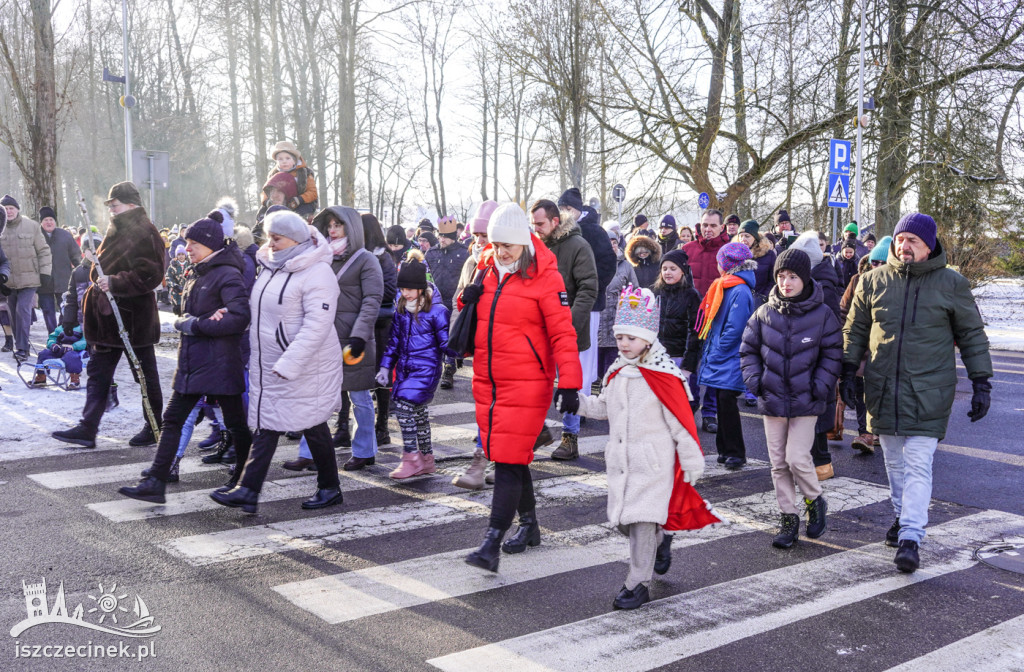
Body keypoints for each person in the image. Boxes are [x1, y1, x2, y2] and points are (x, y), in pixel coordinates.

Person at [843, 213, 992, 573]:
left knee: (918, 463)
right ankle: (901, 517)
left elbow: (972, 335)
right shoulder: (872, 280)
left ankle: (911, 536)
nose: (903, 246)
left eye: (912, 240)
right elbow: (855, 328)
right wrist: (847, 370)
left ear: (929, 246)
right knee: (893, 462)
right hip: (883, 387)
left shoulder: (952, 284)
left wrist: (981, 382)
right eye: (900, 239)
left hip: (929, 389)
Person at [460, 203, 582, 573]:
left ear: (525, 242)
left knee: (509, 460)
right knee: (508, 455)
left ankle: (491, 541)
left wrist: (571, 383)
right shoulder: (485, 272)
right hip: (489, 379)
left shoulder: (547, 277)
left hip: (529, 382)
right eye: (495, 243)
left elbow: (563, 332)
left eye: (508, 244)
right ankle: (529, 525)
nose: (501, 251)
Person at [576, 286, 711, 609]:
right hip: (622, 462)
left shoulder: (665, 376)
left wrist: (691, 459)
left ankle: (637, 583)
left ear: (648, 340)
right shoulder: (618, 371)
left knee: (639, 523)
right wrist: (575, 402)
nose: (623, 343)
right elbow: (603, 408)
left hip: (654, 464)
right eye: (620, 337)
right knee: (624, 520)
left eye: (630, 338)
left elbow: (680, 421)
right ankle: (660, 541)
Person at [117, 213, 255, 505]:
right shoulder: (200, 271)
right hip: (194, 360)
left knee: (235, 423)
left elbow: (240, 317)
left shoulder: (227, 273)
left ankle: (245, 483)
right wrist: (192, 320)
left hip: (219, 361)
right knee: (174, 418)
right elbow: (201, 314)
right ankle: (156, 480)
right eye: (187, 242)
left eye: (193, 243)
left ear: (210, 245)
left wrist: (196, 324)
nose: (187, 247)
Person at [212, 211, 343, 513]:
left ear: (295, 240)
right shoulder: (272, 266)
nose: (270, 242)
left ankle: (256, 489)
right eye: (268, 236)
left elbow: (317, 325)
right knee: (288, 423)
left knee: (296, 423)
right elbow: (262, 310)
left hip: (306, 364)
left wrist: (290, 363)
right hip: (271, 362)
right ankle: (254, 489)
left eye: (277, 237)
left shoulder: (317, 273)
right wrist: (231, 316)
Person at [52, 182, 166, 450]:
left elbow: (151, 275)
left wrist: (115, 282)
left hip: (132, 319)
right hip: (107, 319)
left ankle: (154, 426)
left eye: (115, 204)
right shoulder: (118, 229)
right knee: (99, 373)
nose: (111, 209)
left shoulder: (145, 232)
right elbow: (104, 269)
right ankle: (87, 428)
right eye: (110, 205)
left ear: (131, 204)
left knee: (145, 375)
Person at [740, 248, 840, 548]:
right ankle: (788, 517)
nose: (786, 282)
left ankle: (814, 499)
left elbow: (833, 352)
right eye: (781, 276)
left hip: (806, 400)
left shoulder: (822, 314)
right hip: (772, 400)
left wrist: (820, 386)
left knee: (797, 458)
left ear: (805, 278)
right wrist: (756, 382)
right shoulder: (763, 313)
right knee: (778, 463)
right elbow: (748, 350)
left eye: (792, 277)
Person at [292, 206, 384, 472]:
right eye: (329, 225)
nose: (332, 230)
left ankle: (365, 450)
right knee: (316, 396)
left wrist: (359, 335)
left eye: (338, 225)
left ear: (351, 228)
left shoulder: (367, 260)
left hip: (352, 340)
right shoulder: (321, 258)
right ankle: (309, 453)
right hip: (323, 337)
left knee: (359, 397)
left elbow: (372, 300)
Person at [530, 198, 598, 460]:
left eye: (540, 224)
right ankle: (537, 431)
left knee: (570, 384)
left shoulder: (578, 245)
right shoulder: (534, 248)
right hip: (538, 330)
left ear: (555, 221)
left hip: (568, 330)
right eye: (533, 224)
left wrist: (568, 323)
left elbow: (588, 288)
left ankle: (570, 439)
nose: (536, 229)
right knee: (534, 382)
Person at [376, 252, 450, 479]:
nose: (404, 293)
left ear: (420, 288)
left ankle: (410, 458)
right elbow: (394, 342)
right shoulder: (401, 310)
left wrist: (461, 350)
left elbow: (447, 343)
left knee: (405, 408)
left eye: (408, 289)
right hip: (407, 369)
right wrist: (385, 367)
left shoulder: (437, 312)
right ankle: (427, 459)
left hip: (427, 371)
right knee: (418, 413)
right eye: (402, 288)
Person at [449, 200, 499, 491]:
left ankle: (489, 463)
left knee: (498, 406)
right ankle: (487, 461)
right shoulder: (472, 262)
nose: (479, 241)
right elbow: (460, 301)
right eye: (476, 236)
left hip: (504, 347)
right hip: (479, 343)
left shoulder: (511, 260)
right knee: (485, 405)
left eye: (485, 236)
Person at [695, 242, 756, 469]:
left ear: (727, 264)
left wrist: (718, 350)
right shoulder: (727, 286)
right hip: (723, 354)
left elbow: (735, 328)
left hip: (729, 355)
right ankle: (724, 450)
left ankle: (735, 452)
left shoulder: (738, 289)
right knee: (722, 400)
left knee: (727, 401)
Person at [788, 230, 842, 479]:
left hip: (815, 356)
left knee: (816, 411)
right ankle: (809, 461)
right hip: (801, 354)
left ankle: (822, 463)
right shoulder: (812, 280)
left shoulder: (823, 284)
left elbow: (830, 324)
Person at [559, 188, 617, 409]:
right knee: (567, 350)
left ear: (577, 209)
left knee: (584, 353)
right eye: (561, 208)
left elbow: (607, 265)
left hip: (589, 303)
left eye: (568, 208)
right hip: (564, 301)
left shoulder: (594, 232)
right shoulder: (561, 231)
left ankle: (580, 401)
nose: (564, 212)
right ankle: (568, 393)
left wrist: (591, 288)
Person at [682, 208, 731, 432]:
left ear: (722, 227)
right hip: (691, 318)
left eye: (713, 225)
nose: (708, 229)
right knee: (689, 365)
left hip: (718, 318)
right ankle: (689, 406)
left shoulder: (729, 252)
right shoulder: (687, 250)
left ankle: (710, 412)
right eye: (705, 225)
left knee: (713, 366)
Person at [362, 213, 399, 446]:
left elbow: (388, 291)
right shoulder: (359, 256)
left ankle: (382, 425)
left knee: (381, 375)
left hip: (380, 325)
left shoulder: (383, 258)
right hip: (366, 323)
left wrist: (364, 295)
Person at [0, 194, 52, 361]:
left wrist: (45, 272)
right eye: (5, 209)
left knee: (22, 310)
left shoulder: (32, 226)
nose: (9, 212)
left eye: (11, 208)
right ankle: (21, 344)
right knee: (12, 314)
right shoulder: (0, 228)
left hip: (30, 279)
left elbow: (43, 250)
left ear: (17, 209)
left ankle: (22, 348)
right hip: (8, 282)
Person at [427, 215, 469, 389]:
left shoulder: (463, 253)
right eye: (440, 236)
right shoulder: (431, 253)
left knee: (450, 336)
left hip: (453, 300)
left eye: (445, 237)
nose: (441, 239)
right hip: (435, 302)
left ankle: (449, 369)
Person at [596, 224, 639, 381]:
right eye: (608, 242)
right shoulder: (595, 263)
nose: (612, 245)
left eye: (614, 242)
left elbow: (635, 291)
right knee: (598, 365)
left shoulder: (626, 266)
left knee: (614, 364)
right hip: (599, 320)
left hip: (618, 321)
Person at [654, 249, 699, 376]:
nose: (667, 272)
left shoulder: (691, 295)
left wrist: (688, 364)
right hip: (658, 354)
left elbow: (695, 332)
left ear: (682, 271)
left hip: (679, 357)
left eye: (673, 269)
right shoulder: (658, 292)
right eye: (664, 268)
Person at [38, 207, 81, 335]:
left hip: (64, 280)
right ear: (41, 222)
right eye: (46, 220)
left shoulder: (65, 235)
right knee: (47, 311)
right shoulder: (36, 236)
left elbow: (76, 255)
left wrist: (80, 272)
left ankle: (62, 332)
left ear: (55, 221)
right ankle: (52, 334)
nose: (49, 222)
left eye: (51, 219)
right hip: (43, 282)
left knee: (66, 309)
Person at [260, 141, 318, 220]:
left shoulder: (304, 173)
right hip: (280, 203)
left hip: (301, 203)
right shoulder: (273, 174)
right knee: (263, 212)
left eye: (287, 158)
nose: (284, 161)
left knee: (299, 215)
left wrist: (300, 199)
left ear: (294, 160)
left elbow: (312, 192)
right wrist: (266, 201)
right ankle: (259, 229)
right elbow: (265, 191)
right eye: (280, 159)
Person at [30, 323, 87, 389]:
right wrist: (52, 344)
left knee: (72, 357)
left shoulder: (82, 327)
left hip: (74, 350)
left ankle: (74, 379)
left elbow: (84, 341)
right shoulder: (60, 328)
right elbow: (52, 338)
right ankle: (41, 376)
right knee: (44, 354)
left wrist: (73, 346)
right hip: (59, 349)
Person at [734, 219, 776, 304]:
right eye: (741, 236)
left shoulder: (768, 254)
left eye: (747, 236)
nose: (743, 239)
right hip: (738, 300)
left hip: (760, 302)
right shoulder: (734, 254)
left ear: (755, 237)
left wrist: (763, 297)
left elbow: (773, 280)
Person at [165, 244, 190, 316]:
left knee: (187, 309)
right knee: (178, 309)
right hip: (177, 292)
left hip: (187, 291)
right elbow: (168, 277)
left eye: (182, 254)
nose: (181, 256)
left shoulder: (189, 265)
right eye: (179, 254)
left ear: (185, 255)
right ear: (176, 256)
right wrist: (174, 286)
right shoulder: (173, 266)